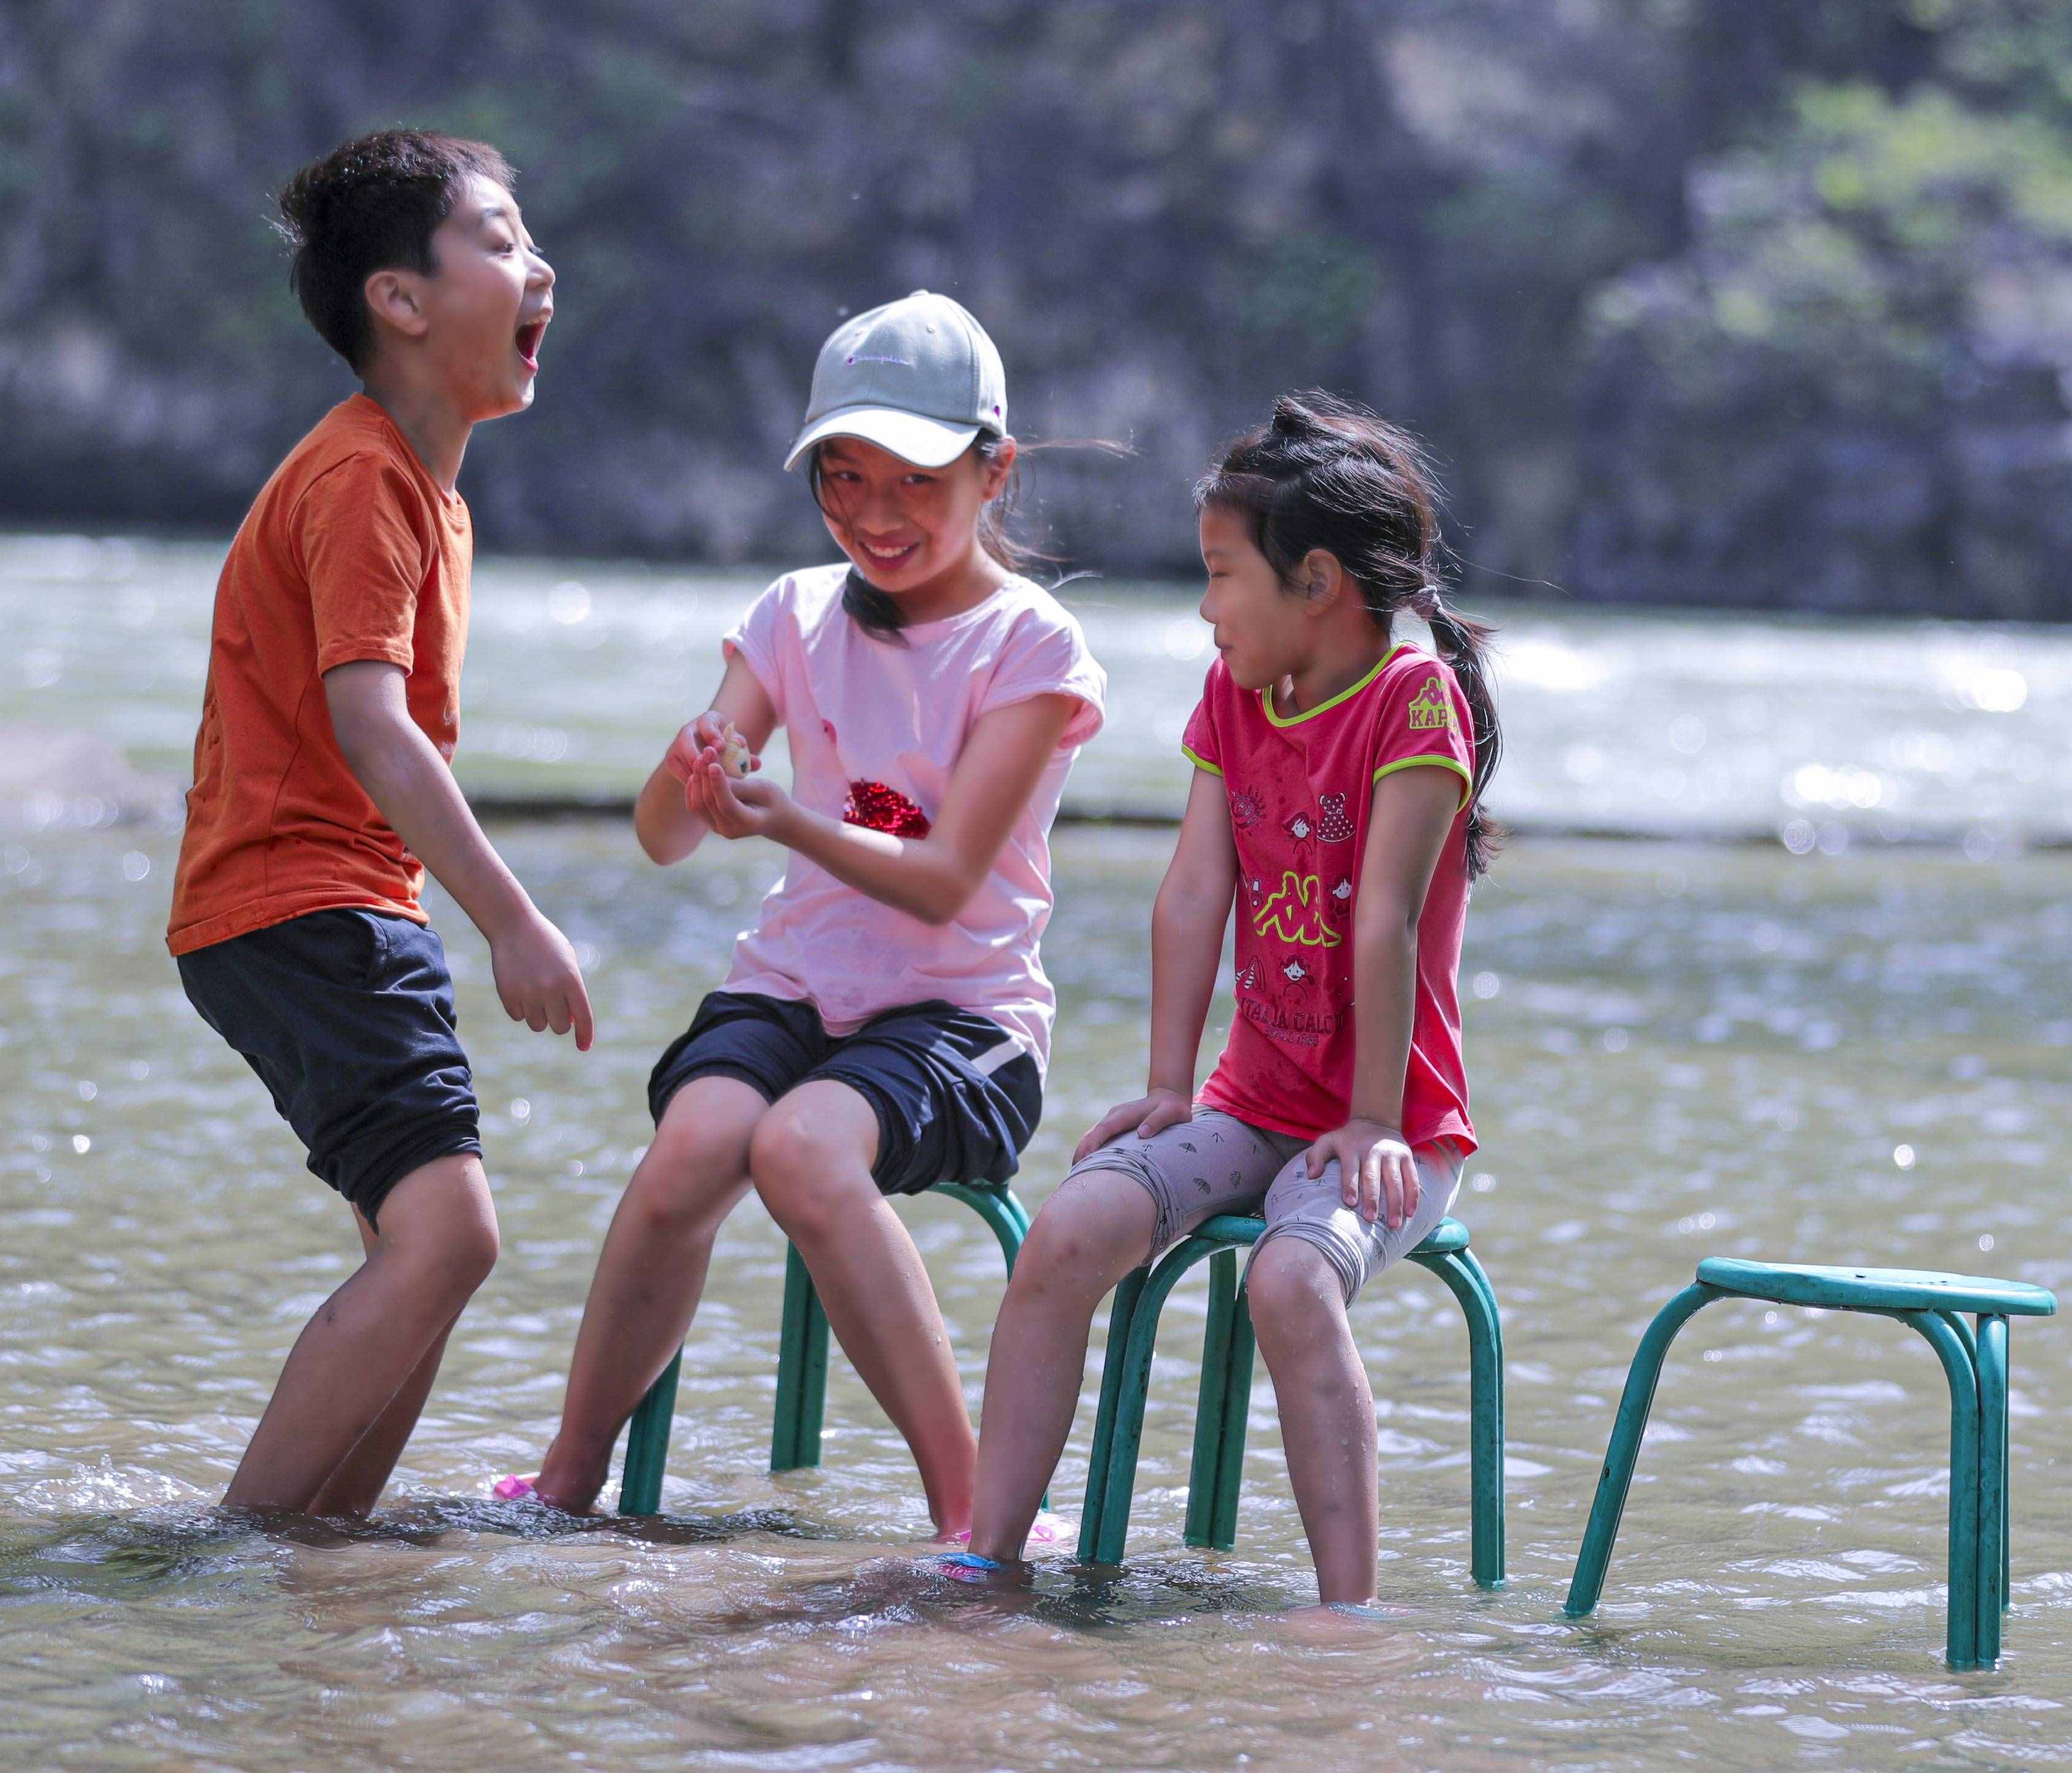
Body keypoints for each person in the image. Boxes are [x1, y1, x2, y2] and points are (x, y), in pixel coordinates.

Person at [500, 292, 1104, 1538]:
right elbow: (663, 838)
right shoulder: (793, 610)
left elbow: (943, 881)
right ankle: (569, 1474)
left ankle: (976, 1507)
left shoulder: (1029, 643)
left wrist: (779, 820)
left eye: (913, 482)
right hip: (792, 986)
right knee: (688, 1150)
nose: (875, 515)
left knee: (801, 1149)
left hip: (961, 1016)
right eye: (844, 479)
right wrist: (696, 775)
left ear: (992, 470)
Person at [954, 392, 1501, 1607]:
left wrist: (1367, 1121)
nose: (1205, 607)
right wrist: (1165, 1085)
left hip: (1389, 1128)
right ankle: (984, 1555)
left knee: (1289, 1283)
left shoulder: (1414, 702)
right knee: (1068, 1228)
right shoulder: (1235, 696)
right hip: (1251, 1106)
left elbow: (1387, 920)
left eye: (1219, 574)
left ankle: (1346, 1614)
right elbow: (1194, 892)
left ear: (1317, 581)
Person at [169, 129, 594, 1516]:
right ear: (399, 300)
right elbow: (372, 722)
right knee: (450, 1236)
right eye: (498, 236)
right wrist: (515, 922)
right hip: (307, 897)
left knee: (413, 1243)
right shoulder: (362, 478)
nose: (538, 267)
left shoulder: (422, 489)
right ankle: (242, 1540)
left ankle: (325, 1541)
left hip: (313, 901)